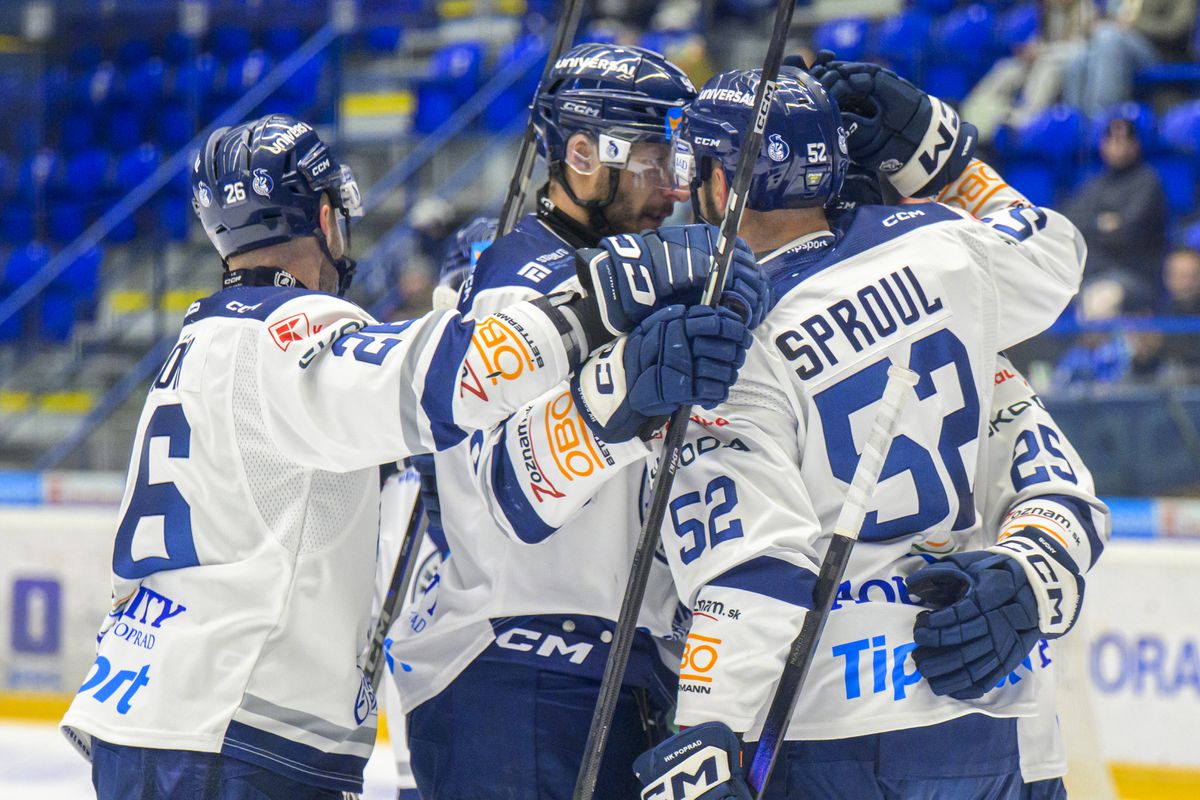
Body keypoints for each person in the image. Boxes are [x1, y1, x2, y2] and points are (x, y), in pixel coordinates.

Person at [57, 113, 760, 800]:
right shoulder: (290, 332)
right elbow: (460, 376)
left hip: (141, 704)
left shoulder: (193, 347)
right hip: (235, 728)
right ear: (326, 219)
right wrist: (607, 289)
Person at [632, 59, 1089, 798]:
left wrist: (707, 730)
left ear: (724, 182)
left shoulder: (731, 337)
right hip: (985, 712)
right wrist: (945, 158)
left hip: (831, 722)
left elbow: (754, 568)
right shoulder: (948, 243)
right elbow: (1054, 251)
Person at [389, 43, 772, 800]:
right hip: (520, 679)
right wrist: (631, 387)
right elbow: (515, 493)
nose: (675, 187)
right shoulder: (517, 287)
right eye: (655, 161)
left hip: (612, 674)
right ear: (584, 154)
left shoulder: (645, 271)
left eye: (680, 164)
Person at [1062, 116, 1167, 289]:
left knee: (1101, 297)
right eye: (1112, 140)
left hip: (1135, 273)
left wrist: (1094, 228)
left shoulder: (1147, 182)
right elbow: (1070, 222)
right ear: (1103, 145)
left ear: (1136, 145)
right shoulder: (1094, 183)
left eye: (1124, 140)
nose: (1118, 147)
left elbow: (1128, 231)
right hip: (1092, 270)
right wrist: (1100, 223)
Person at [1063, 0, 1199, 116]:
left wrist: (1136, 24)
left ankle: (1103, 122)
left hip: (1159, 52)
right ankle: (1076, 127)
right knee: (1079, 58)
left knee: (1109, 39)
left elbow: (1177, 27)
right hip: (1120, 41)